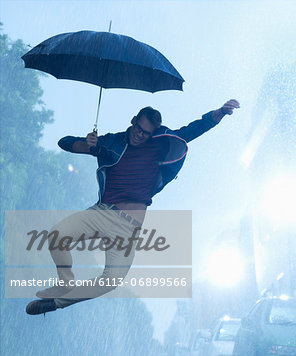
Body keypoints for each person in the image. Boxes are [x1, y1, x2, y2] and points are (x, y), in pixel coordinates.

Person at [26, 99, 240, 315]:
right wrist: (87, 146)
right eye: (138, 129)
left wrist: (220, 112)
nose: (139, 135)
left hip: (128, 228)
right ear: (133, 121)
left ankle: (56, 303)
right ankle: (65, 283)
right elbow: (65, 142)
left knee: (112, 280)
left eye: (146, 133)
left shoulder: (160, 144)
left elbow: (194, 129)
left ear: (152, 133)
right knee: (56, 236)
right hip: (103, 213)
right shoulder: (112, 142)